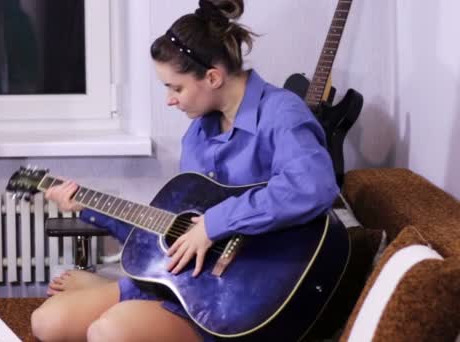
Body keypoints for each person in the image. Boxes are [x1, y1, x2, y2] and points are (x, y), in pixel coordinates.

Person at [31, 0, 339, 340]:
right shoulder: (197, 133)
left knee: (109, 333)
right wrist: (85, 207)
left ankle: (112, 288)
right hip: (187, 282)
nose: (170, 100)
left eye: (175, 87)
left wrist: (214, 224)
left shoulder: (281, 113)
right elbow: (173, 230)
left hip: (239, 295)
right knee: (47, 323)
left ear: (212, 77)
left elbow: (313, 185)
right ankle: (118, 284)